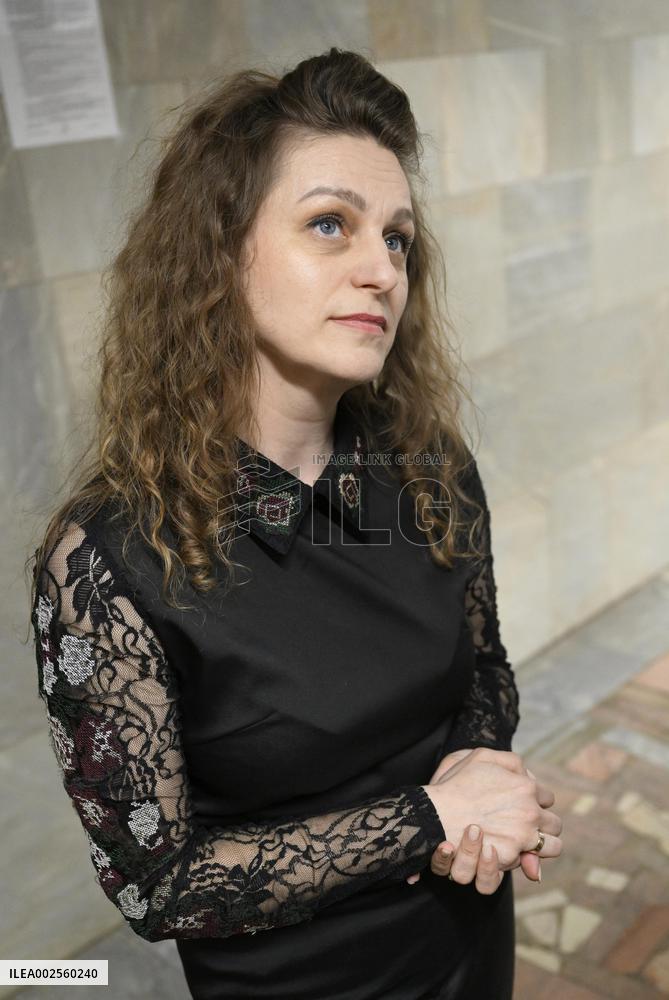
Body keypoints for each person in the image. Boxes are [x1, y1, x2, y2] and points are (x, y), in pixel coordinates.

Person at [27, 48, 563, 1000]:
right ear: (221, 253)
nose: (380, 270)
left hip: (468, 937)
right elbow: (158, 885)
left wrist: (485, 772)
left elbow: (482, 665)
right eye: (330, 225)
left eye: (396, 238)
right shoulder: (107, 564)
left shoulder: (429, 466)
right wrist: (430, 820)